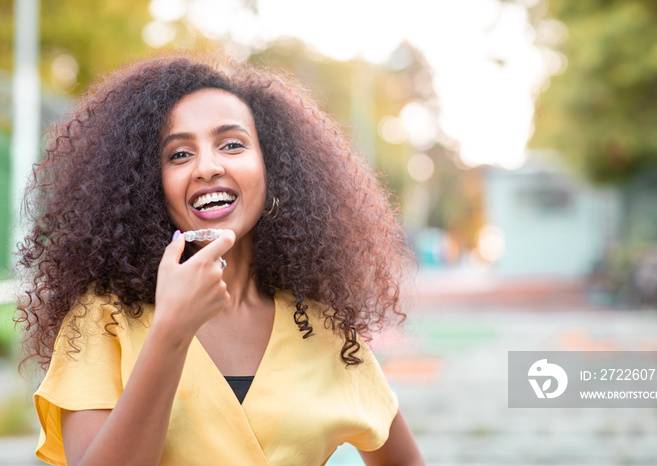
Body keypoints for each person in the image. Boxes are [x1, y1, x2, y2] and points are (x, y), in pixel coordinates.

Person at [15, 52, 423, 465]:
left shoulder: (323, 329)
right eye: (178, 154)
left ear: (274, 168)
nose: (207, 167)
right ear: (145, 186)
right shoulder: (102, 319)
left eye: (232, 144)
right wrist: (171, 331)